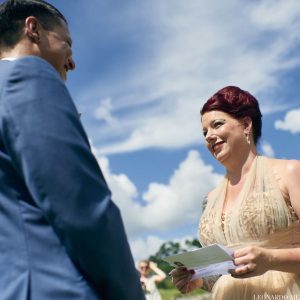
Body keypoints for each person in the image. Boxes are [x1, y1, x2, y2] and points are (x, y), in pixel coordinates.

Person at [0, 0, 145, 299]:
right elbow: (84, 210)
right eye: (67, 43)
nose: (72, 62)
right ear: (33, 29)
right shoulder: (27, 77)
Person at [170, 86, 300, 299]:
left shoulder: (290, 172)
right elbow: (227, 274)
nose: (209, 137)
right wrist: (199, 279)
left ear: (246, 124)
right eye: (204, 132)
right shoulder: (210, 199)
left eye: (217, 125)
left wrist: (271, 259)